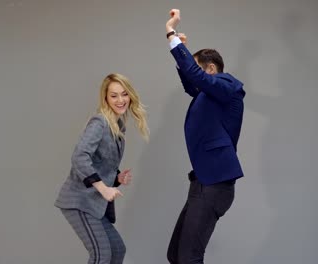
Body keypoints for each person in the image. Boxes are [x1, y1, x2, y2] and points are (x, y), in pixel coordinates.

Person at [165, 9, 246, 264]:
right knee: (176, 255)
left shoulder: (228, 85)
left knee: (189, 257)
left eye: (199, 70)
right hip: (202, 183)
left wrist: (171, 34)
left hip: (215, 184)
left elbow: (196, 77)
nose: (196, 76)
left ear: (211, 69)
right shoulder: (208, 94)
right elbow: (192, 83)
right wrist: (184, 55)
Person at [55, 73, 149, 264]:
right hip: (79, 200)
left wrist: (117, 178)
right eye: (114, 95)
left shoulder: (117, 124)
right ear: (105, 98)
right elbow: (79, 156)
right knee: (102, 255)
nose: (120, 100)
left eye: (124, 94)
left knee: (117, 250)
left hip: (94, 203)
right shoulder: (100, 122)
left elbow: (100, 162)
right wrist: (104, 188)